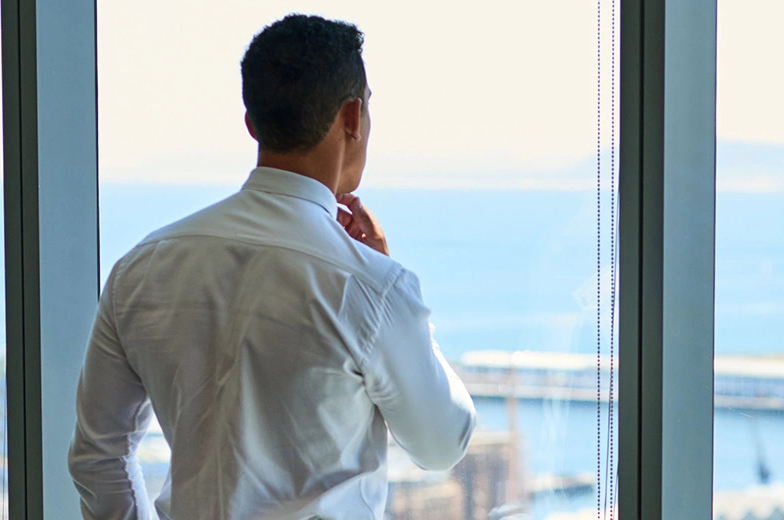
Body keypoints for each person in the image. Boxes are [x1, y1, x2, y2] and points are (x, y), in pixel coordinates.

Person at [68, 14, 478, 520]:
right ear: (353, 117)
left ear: (252, 123)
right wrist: (398, 301)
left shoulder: (141, 267)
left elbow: (98, 456)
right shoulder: (369, 284)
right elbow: (441, 444)